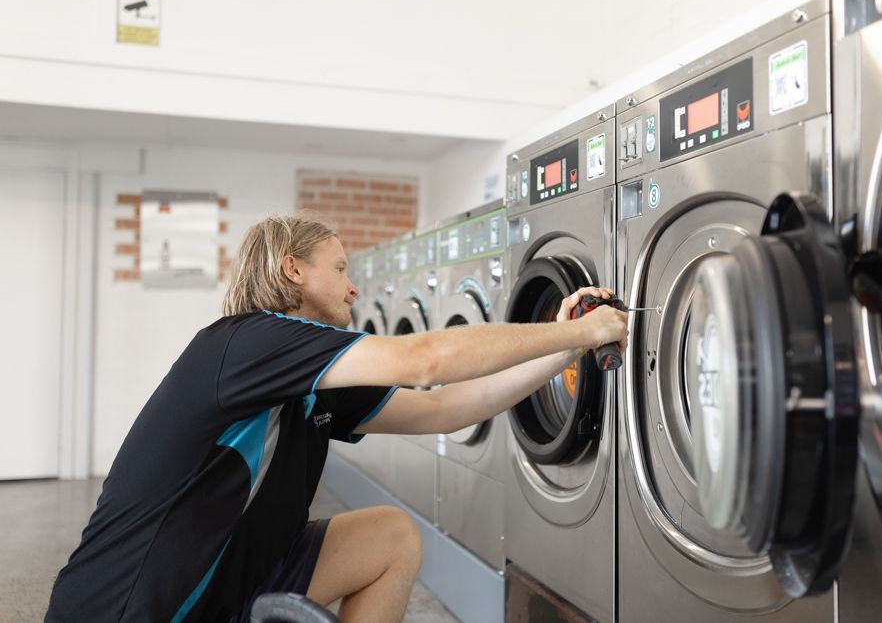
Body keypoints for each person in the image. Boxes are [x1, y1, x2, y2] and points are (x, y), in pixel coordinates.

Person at [46, 214, 628, 622]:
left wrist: (564, 350)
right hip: (135, 607)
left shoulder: (317, 378)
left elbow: (444, 407)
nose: (354, 286)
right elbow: (422, 359)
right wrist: (579, 327)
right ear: (293, 270)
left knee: (390, 538)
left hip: (232, 581)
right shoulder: (243, 343)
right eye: (341, 268)